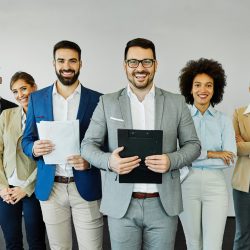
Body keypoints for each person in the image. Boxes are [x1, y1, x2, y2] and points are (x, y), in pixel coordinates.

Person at [81, 38, 201, 250]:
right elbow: (87, 146)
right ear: (125, 65)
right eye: (133, 62)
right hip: (121, 206)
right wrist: (110, 162)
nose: (140, 68)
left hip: (163, 205)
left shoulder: (176, 102)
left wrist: (171, 160)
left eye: (146, 62)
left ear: (156, 64)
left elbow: (193, 145)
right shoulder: (107, 102)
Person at [22, 40, 103, 250]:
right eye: (61, 61)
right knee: (59, 248)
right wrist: (33, 148)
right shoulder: (36, 99)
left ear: (80, 64)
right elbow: (26, 140)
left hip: (85, 186)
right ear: (53, 64)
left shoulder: (98, 100)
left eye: (72, 61)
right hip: (51, 188)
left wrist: (90, 162)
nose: (67, 66)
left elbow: (107, 144)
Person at [178, 58, 237, 250]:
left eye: (208, 85)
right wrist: (213, 154)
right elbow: (178, 155)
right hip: (186, 183)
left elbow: (229, 159)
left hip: (216, 186)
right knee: (193, 244)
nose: (203, 90)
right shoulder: (180, 117)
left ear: (215, 89)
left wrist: (192, 156)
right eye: (197, 85)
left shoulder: (224, 120)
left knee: (213, 245)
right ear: (189, 88)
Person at [0, 71, 46, 249]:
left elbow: (47, 159)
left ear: (34, 87)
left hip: (32, 189)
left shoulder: (46, 116)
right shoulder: (6, 115)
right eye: (15, 91)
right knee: (12, 242)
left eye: (24, 88)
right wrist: (3, 187)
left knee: (36, 242)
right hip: (7, 190)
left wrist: (25, 188)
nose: (20, 95)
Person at [232, 86, 250, 250]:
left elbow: (243, 146)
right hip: (244, 183)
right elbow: (234, 148)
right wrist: (239, 144)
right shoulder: (239, 113)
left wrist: (246, 143)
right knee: (242, 233)